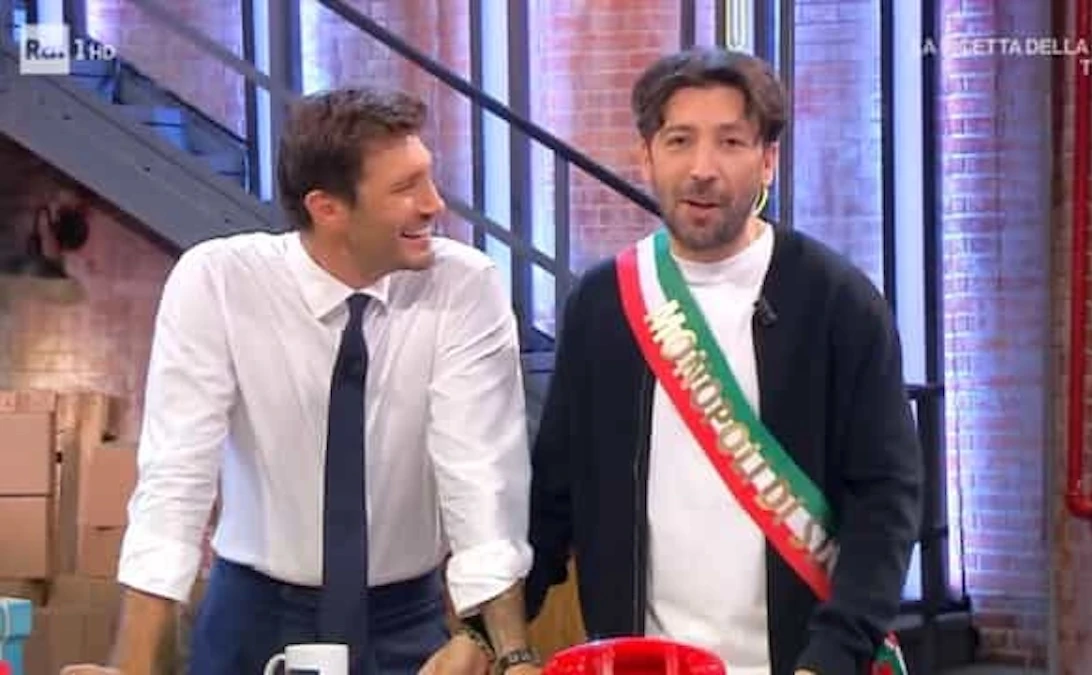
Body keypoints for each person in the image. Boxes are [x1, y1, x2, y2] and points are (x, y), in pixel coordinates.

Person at [64, 88, 540, 675]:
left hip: (404, 620)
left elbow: (481, 476)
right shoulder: (218, 282)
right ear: (327, 208)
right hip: (253, 617)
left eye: (428, 178)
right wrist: (133, 666)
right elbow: (175, 480)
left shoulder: (465, 286)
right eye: (405, 187)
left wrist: (498, 645)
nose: (434, 204)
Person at [523, 48, 923, 675]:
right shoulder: (602, 305)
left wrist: (833, 656)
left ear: (768, 160)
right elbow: (554, 493)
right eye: (679, 141)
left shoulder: (838, 301)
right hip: (648, 662)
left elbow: (886, 498)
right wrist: (489, 632)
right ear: (647, 155)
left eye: (731, 142)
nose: (702, 170)